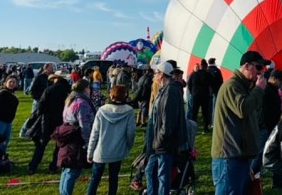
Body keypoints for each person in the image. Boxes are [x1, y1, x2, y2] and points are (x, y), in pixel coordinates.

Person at [211, 50, 270, 195]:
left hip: (238, 155)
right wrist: (258, 89)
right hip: (229, 156)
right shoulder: (232, 86)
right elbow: (243, 108)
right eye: (259, 67)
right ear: (247, 66)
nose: (261, 72)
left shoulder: (243, 86)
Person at [145, 61, 187, 195]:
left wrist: (159, 141)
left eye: (156, 73)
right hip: (157, 142)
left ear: (162, 74)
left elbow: (168, 122)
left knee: (162, 175)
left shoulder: (171, 91)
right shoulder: (165, 90)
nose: (154, 76)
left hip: (164, 143)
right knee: (150, 171)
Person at [86, 84, 136, 195]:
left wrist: (89, 153)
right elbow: (131, 133)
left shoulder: (102, 110)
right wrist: (128, 146)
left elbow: (94, 134)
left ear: (111, 95)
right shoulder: (129, 111)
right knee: (114, 178)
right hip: (117, 150)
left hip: (101, 150)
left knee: (95, 178)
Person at [29, 69, 72, 174]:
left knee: (42, 145)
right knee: (59, 145)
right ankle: (54, 166)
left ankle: (33, 166)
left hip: (48, 120)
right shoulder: (68, 91)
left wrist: (32, 120)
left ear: (56, 79)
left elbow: (41, 107)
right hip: (62, 121)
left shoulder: (49, 90)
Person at [56, 79, 96, 195]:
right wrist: (88, 143)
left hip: (68, 135)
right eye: (89, 88)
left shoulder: (71, 99)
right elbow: (84, 125)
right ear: (85, 89)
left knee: (67, 168)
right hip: (77, 139)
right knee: (72, 170)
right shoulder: (81, 103)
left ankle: (63, 192)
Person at [251, 69, 282, 181]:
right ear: (274, 79)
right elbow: (265, 112)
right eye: (280, 81)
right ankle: (251, 175)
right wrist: (271, 127)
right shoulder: (267, 91)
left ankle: (274, 179)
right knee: (261, 153)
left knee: (269, 153)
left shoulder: (272, 90)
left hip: (269, 127)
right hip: (266, 128)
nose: (281, 83)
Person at [0, 74, 19, 153]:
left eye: (14, 82)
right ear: (5, 82)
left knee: (5, 141)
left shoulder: (12, 94)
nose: (12, 83)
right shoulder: (3, 93)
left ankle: (2, 158)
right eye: (10, 82)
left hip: (8, 122)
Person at [187, 59, 213, 132]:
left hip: (195, 95)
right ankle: (205, 128)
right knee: (205, 112)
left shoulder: (194, 74)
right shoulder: (208, 74)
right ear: (206, 66)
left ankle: (193, 127)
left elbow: (189, 84)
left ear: (201, 66)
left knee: (194, 112)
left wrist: (192, 92)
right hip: (205, 95)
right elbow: (212, 83)